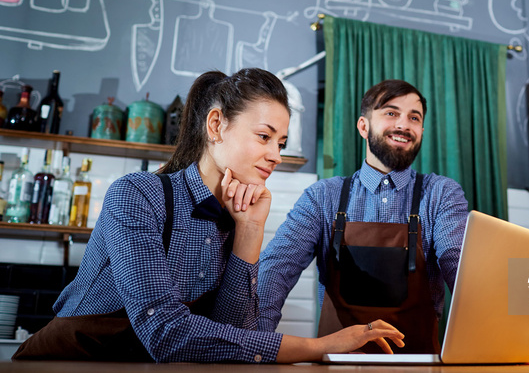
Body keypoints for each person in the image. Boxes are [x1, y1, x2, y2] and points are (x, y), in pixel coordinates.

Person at [13, 68, 404, 363]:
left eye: (281, 143)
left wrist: (250, 231)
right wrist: (318, 347)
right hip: (65, 365)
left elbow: (233, 337)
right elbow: (165, 332)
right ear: (216, 125)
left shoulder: (238, 217)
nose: (276, 156)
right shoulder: (136, 195)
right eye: (264, 137)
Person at [258, 79, 470, 354]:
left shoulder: (441, 194)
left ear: (421, 130)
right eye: (391, 113)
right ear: (363, 126)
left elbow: (461, 267)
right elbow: (274, 272)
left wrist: (500, 343)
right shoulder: (322, 197)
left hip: (420, 366)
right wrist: (253, 349)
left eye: (414, 117)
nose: (404, 125)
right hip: (337, 366)